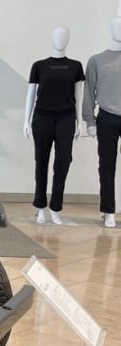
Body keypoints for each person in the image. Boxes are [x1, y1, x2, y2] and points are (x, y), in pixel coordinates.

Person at [24, 27, 85, 225]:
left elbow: (79, 95)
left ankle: (55, 208)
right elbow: (30, 95)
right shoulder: (39, 66)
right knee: (41, 161)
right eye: (57, 36)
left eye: (64, 36)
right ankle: (40, 207)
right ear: (52, 38)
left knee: (64, 161)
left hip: (66, 118)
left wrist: (79, 120)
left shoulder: (75, 66)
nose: (61, 39)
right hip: (42, 118)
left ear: (69, 39)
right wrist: (25, 120)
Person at [82, 17, 121, 228]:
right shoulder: (97, 60)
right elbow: (88, 91)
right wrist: (89, 119)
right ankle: (108, 211)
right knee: (106, 165)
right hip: (107, 116)